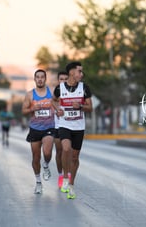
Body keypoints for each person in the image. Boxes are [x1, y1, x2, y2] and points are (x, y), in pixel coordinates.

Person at [52, 61, 92, 199]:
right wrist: (58, 110)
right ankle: (64, 177)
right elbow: (53, 100)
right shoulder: (60, 88)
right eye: (79, 71)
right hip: (64, 124)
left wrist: (80, 106)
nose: (82, 74)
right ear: (71, 72)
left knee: (75, 157)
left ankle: (71, 184)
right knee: (66, 149)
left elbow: (90, 107)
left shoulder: (84, 88)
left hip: (79, 127)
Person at [22, 69, 55, 194]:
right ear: (35, 79)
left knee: (47, 152)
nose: (40, 79)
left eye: (42, 77)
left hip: (49, 127)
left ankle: (46, 165)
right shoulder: (30, 95)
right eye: (38, 77)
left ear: (45, 79)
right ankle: (38, 182)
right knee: (36, 157)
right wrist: (32, 108)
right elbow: (24, 111)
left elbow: (58, 104)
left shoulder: (51, 92)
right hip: (35, 128)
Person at [54, 70, 69, 189]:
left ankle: (67, 175)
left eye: (65, 79)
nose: (63, 81)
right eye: (61, 79)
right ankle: (60, 175)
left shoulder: (72, 93)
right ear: (58, 81)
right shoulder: (55, 94)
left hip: (69, 126)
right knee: (59, 153)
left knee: (67, 152)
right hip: (57, 127)